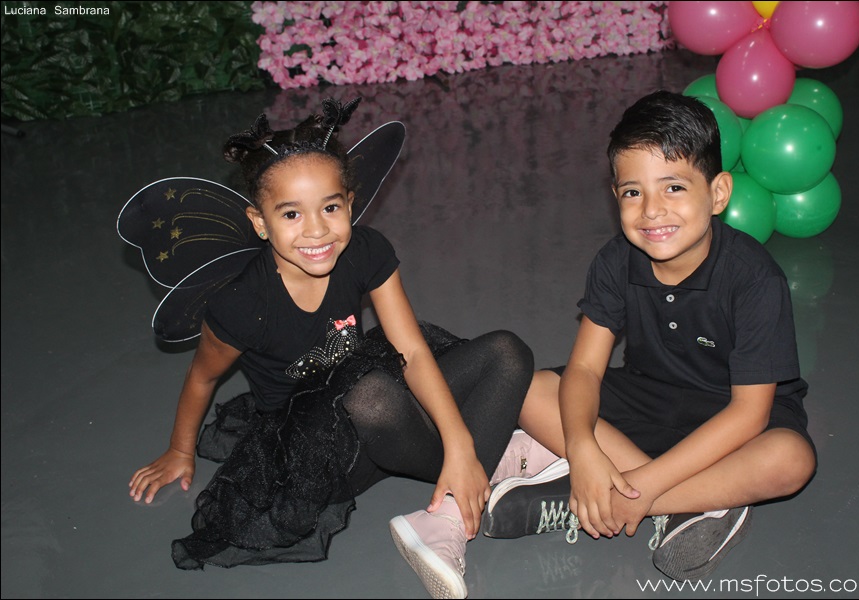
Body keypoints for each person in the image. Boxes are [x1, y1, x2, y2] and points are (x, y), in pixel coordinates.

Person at [126, 98, 536, 599]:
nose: (317, 230)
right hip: (313, 449)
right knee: (373, 397)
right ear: (260, 222)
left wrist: (459, 444)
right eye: (291, 214)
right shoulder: (243, 304)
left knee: (507, 351)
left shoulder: (365, 250)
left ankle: (463, 488)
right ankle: (498, 460)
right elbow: (202, 377)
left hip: (374, 395)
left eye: (331, 207)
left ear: (350, 203)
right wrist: (179, 449)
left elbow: (411, 350)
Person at [482, 90, 817, 582]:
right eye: (632, 192)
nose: (652, 211)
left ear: (718, 193)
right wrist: (583, 446)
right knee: (530, 389)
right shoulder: (615, 260)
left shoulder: (754, 278)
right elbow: (585, 369)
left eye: (674, 187)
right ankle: (704, 502)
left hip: (736, 417)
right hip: (649, 397)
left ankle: (610, 499)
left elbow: (749, 414)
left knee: (791, 461)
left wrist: (640, 488)